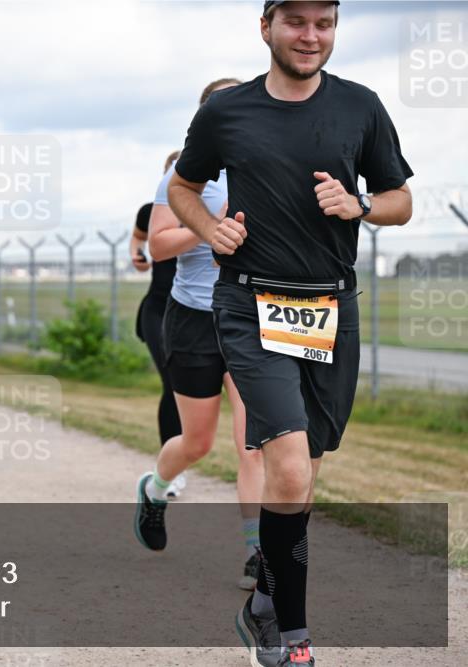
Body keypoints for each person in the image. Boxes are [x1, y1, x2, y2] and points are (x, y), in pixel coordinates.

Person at [167, 2, 413, 664]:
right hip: (250, 305)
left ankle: (261, 603)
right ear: (267, 26)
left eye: (324, 23)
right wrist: (208, 228)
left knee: (303, 479)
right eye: (297, 21)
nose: (311, 36)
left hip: (331, 308)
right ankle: (291, 638)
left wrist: (360, 204)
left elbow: (401, 200)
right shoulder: (226, 112)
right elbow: (185, 186)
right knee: (290, 464)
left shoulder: (360, 107)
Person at [134, 78, 266, 590]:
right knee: (196, 441)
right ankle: (155, 488)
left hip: (252, 317)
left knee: (254, 442)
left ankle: (258, 552)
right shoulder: (184, 175)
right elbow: (158, 247)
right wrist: (209, 225)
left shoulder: (269, 165)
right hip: (193, 317)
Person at [131, 150, 183, 499]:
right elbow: (138, 238)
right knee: (173, 384)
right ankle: (172, 472)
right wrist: (138, 255)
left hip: (196, 311)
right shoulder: (151, 212)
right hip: (159, 310)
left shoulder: (212, 210)